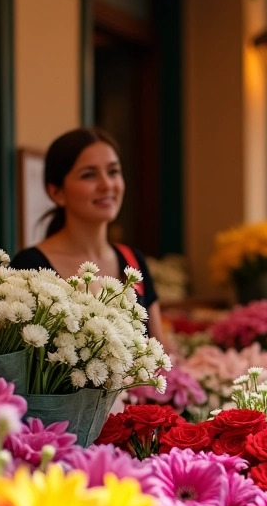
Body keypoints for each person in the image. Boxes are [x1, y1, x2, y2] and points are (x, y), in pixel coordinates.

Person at [11, 127, 167, 344]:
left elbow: (161, 352)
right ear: (57, 193)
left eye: (113, 172)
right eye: (89, 175)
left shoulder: (134, 262)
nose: (107, 185)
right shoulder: (30, 266)